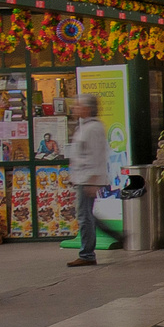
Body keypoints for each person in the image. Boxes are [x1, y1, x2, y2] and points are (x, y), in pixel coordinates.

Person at [67, 94, 107, 268]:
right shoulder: (84, 127)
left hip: (87, 179)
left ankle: (87, 253)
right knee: (86, 215)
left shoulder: (92, 129)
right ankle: (88, 251)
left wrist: (93, 180)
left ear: (88, 108)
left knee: (85, 216)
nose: (75, 109)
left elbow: (96, 156)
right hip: (82, 178)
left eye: (78, 106)